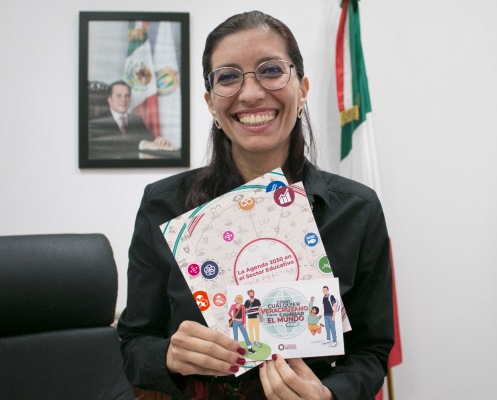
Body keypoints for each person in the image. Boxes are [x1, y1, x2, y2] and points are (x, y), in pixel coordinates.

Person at [117, 10, 393, 400]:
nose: (249, 93)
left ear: (302, 89)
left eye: (271, 70)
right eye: (228, 77)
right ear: (211, 103)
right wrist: (169, 356)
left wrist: (329, 394)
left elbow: (372, 349)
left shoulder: (357, 211)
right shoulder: (163, 205)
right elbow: (133, 343)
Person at [88, 80, 176, 159]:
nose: (123, 100)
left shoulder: (136, 119)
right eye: (119, 96)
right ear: (110, 100)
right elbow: (109, 146)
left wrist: (158, 141)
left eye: (127, 96)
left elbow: (149, 139)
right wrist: (143, 145)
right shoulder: (98, 121)